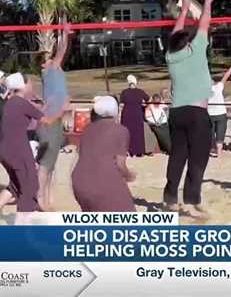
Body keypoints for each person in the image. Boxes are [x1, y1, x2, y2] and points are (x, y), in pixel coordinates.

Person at [164, 0, 218, 218]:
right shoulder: (195, 51)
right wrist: (205, 4)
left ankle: (170, 199)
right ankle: (190, 201)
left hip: (176, 113)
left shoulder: (170, 56)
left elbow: (175, 33)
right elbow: (205, 22)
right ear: (187, 43)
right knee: (198, 159)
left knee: (178, 156)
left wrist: (184, 10)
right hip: (197, 113)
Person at [0, 73, 63, 219]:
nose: (32, 85)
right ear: (22, 86)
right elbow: (46, 120)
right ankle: (22, 229)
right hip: (17, 149)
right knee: (30, 187)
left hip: (4, 150)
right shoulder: (21, 103)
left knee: (16, 185)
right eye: (29, 83)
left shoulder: (10, 102)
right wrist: (60, 110)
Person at [72, 96, 136, 212]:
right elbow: (120, 164)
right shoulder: (121, 130)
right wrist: (129, 175)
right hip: (104, 181)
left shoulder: (87, 129)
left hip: (79, 181)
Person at [36, 22, 72, 211]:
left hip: (55, 120)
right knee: (46, 164)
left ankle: (47, 197)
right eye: (48, 58)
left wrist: (64, 33)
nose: (52, 59)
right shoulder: (48, 70)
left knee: (51, 164)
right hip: (49, 121)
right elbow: (62, 50)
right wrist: (64, 34)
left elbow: (61, 53)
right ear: (43, 64)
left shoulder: (53, 71)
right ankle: (40, 197)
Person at [208, 60, 231, 157]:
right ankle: (219, 153)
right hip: (220, 114)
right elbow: (226, 76)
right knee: (220, 134)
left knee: (210, 134)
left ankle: (212, 149)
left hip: (210, 114)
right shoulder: (218, 87)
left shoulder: (203, 90)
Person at [120, 75, 150, 157]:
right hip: (137, 114)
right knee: (138, 132)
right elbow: (148, 100)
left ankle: (129, 151)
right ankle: (139, 151)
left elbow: (121, 105)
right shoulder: (140, 91)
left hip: (127, 115)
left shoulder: (124, 92)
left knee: (128, 133)